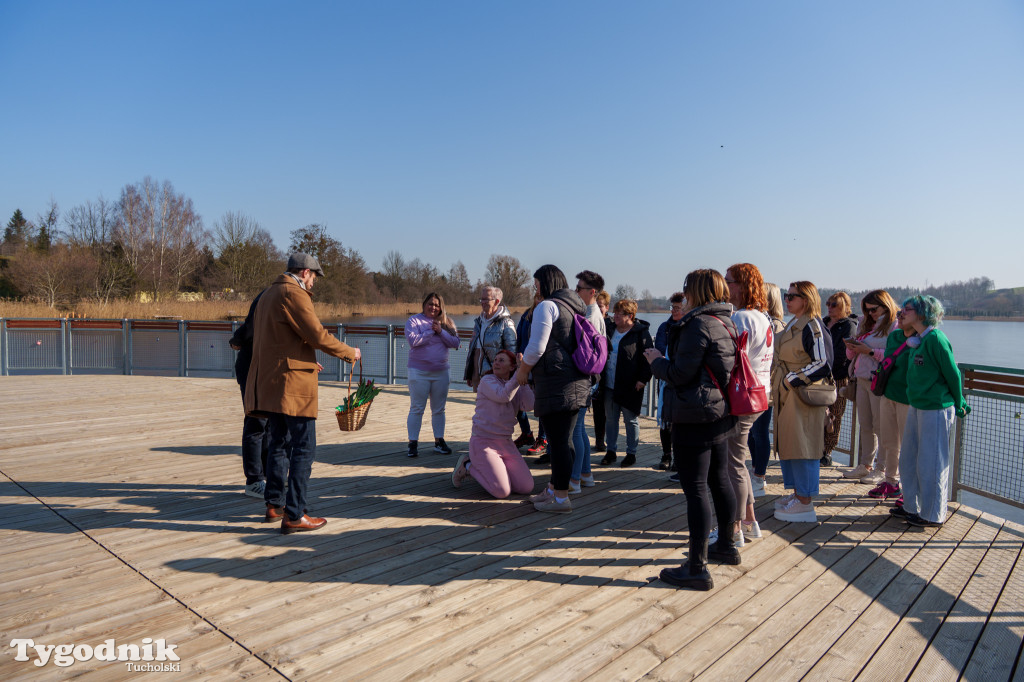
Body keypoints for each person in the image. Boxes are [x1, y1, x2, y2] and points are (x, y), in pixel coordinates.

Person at [244, 252, 360, 533]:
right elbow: (317, 334)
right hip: (292, 386)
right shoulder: (294, 294)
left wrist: (305, 359)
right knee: (304, 448)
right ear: (306, 272)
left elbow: (277, 341)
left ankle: (274, 504)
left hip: (270, 383)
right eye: (315, 277)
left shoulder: (268, 294)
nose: (314, 283)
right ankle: (295, 514)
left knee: (279, 444)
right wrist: (349, 352)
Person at [644, 269, 739, 591]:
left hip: (694, 415)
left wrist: (656, 360)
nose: (682, 295)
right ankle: (726, 544)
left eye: (685, 289)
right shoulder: (726, 322)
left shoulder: (697, 324)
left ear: (695, 291)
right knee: (719, 479)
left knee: (696, 487)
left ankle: (697, 567)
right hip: (720, 411)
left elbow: (680, 374)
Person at [514, 264, 590, 514]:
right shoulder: (573, 306)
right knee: (563, 441)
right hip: (575, 383)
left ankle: (560, 499)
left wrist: (523, 370)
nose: (534, 288)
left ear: (546, 283)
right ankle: (554, 490)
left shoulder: (547, 306)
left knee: (558, 443)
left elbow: (536, 347)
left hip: (556, 384)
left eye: (536, 284)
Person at [890, 295, 969, 527]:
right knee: (909, 459)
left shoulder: (936, 339)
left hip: (935, 408)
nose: (902, 312)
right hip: (917, 405)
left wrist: (959, 401)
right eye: (902, 309)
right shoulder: (917, 339)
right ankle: (911, 506)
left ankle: (933, 514)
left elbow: (952, 373)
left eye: (908, 309)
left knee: (931, 461)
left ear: (923, 313)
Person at [715, 263, 773, 547]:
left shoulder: (739, 318)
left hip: (740, 397)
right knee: (739, 461)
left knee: (732, 464)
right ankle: (750, 521)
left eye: (729, 281)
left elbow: (730, 360)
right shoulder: (763, 317)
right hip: (759, 394)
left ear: (741, 285)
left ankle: (734, 529)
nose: (725, 285)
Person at [772, 281, 833, 524]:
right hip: (788, 393)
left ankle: (805, 501)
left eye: (792, 296)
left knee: (805, 446)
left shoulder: (813, 325)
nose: (787, 300)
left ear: (805, 299)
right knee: (790, 443)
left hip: (802, 394)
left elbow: (822, 362)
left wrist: (791, 380)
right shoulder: (795, 323)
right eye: (786, 296)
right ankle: (798, 494)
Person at [452, 350, 535, 498]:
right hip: (483, 442)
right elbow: (503, 395)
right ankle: (467, 465)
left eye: (501, 360)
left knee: (526, 487)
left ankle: (497, 472)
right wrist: (518, 374)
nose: (496, 362)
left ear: (512, 367)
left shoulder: (514, 382)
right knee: (502, 491)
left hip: (506, 443)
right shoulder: (487, 380)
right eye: (495, 359)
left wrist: (523, 378)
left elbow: (529, 405)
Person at [842, 289, 899, 485]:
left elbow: (894, 355)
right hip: (861, 379)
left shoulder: (894, 326)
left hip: (879, 381)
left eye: (874, 309)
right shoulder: (866, 324)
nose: (871, 314)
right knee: (865, 424)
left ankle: (881, 468)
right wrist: (852, 348)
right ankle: (865, 464)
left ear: (886, 305)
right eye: (867, 310)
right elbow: (853, 357)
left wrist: (871, 351)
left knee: (880, 426)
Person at [599, 298, 653, 468]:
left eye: (619, 313)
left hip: (631, 386)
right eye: (614, 312)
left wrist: (643, 380)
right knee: (610, 419)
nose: (615, 316)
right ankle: (611, 451)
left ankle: (631, 453)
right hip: (609, 384)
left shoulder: (640, 332)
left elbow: (648, 357)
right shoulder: (610, 329)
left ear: (630, 315)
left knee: (630, 420)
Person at [405, 292, 460, 457]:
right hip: (418, 372)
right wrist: (431, 331)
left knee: (439, 409)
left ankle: (439, 442)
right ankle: (412, 443)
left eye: (437, 305)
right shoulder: (413, 320)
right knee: (417, 408)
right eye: (430, 304)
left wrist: (441, 331)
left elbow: (456, 343)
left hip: (441, 373)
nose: (433, 307)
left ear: (441, 307)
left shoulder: (447, 322)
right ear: (424, 304)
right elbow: (413, 341)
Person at [870, 306, 917, 500]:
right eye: (899, 314)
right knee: (889, 442)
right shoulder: (895, 336)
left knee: (909, 445)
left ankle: (910, 490)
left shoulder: (922, 340)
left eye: (904, 314)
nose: (900, 317)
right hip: (888, 395)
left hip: (908, 399)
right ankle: (891, 482)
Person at [229, 289, 270, 499]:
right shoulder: (269, 297)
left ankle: (268, 477)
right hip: (253, 368)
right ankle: (254, 481)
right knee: (256, 423)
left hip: (267, 369)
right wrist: (238, 338)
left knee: (269, 424)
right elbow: (250, 328)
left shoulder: (276, 295)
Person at [569, 270, 606, 492]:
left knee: (576, 430)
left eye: (579, 288)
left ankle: (574, 479)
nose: (576, 291)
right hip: (590, 378)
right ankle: (585, 474)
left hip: (585, 378)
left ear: (591, 292)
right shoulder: (590, 313)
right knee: (580, 429)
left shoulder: (590, 316)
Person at [747, 282, 786, 495]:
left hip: (766, 388)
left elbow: (775, 359)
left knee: (760, 432)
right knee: (752, 434)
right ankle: (756, 471)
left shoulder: (777, 326)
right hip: (756, 387)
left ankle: (760, 476)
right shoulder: (763, 321)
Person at [821, 292, 858, 465]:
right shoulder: (823, 322)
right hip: (820, 377)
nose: (829, 306)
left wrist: (836, 372)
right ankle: (816, 447)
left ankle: (827, 452)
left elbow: (843, 354)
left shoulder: (848, 325)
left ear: (844, 305)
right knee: (819, 414)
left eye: (834, 304)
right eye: (828, 303)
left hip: (838, 378)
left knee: (835, 415)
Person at [654, 293, 685, 471]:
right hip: (666, 379)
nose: (673, 311)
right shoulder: (665, 328)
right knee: (665, 418)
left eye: (677, 308)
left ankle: (679, 459)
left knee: (679, 421)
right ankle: (666, 455)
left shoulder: (689, 327)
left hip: (681, 380)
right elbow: (659, 349)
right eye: (672, 307)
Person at [465, 286, 517, 390]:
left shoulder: (506, 323)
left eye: (486, 299)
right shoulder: (479, 322)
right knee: (480, 405)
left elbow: (512, 352)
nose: (482, 302)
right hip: (477, 375)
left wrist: (510, 377)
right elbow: (474, 350)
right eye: (481, 299)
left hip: (496, 376)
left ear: (496, 301)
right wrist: (470, 373)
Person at [515, 294, 541, 451]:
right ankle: (526, 433)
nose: (539, 299)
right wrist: (517, 353)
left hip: (539, 366)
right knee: (517, 400)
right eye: (537, 296)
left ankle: (543, 439)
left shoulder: (549, 315)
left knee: (541, 404)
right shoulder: (527, 315)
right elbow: (518, 337)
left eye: (542, 297)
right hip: (522, 364)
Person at [591, 290, 613, 452]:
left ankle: (610, 441)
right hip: (595, 371)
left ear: (607, 307)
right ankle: (599, 440)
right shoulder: (590, 322)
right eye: (596, 306)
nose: (599, 310)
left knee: (610, 410)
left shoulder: (612, 325)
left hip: (609, 371)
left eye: (601, 306)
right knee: (598, 409)